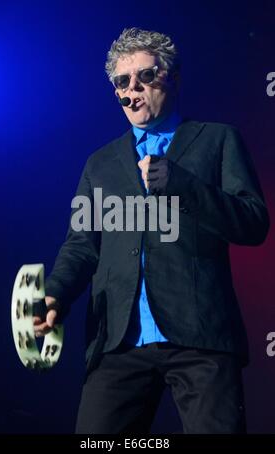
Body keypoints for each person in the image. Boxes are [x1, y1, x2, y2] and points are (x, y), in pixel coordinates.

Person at [33, 28, 270, 434]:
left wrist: (182, 185)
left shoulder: (216, 139)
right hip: (118, 341)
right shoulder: (101, 163)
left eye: (146, 76)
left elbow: (252, 223)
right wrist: (56, 293)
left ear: (172, 78)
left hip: (200, 337)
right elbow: (81, 244)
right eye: (122, 81)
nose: (134, 88)